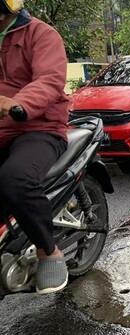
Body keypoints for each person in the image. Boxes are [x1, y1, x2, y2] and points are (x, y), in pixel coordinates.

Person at [0, 1, 71, 294]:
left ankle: (48, 250)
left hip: (38, 126)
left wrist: (19, 104)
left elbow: (50, 79)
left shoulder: (41, 34)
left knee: (15, 179)